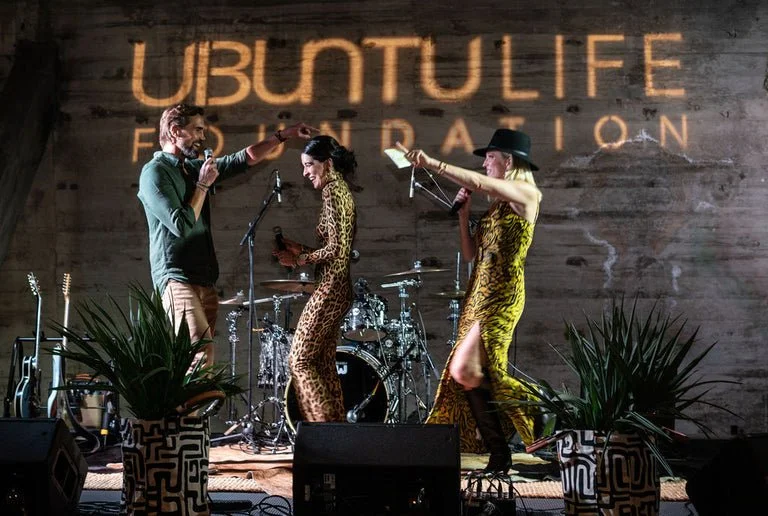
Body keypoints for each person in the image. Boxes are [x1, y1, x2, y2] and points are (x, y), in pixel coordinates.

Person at [398, 129, 542, 473]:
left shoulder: (526, 194)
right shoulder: (495, 207)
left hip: (503, 293)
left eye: (490, 157)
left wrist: (431, 162)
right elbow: (469, 254)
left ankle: (537, 407)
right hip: (478, 292)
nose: (484, 162)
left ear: (509, 161)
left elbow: (479, 182)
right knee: (466, 373)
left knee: (469, 369)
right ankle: (498, 453)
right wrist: (464, 217)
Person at [138, 103, 314, 366]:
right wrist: (203, 184)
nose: (202, 137)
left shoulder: (190, 167)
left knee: (199, 358)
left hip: (204, 278)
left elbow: (243, 159)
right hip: (176, 277)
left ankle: (189, 407)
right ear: (175, 131)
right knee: (199, 348)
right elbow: (181, 224)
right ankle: (187, 407)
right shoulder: (155, 173)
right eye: (197, 130)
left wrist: (283, 136)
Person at [274, 135, 357, 422]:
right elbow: (337, 248)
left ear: (327, 163)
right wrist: (302, 250)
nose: (306, 172)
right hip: (336, 285)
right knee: (322, 365)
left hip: (331, 288)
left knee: (299, 360)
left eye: (310, 165)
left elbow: (336, 249)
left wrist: (298, 260)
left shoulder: (333, 192)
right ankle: (337, 435)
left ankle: (322, 433)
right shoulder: (340, 190)